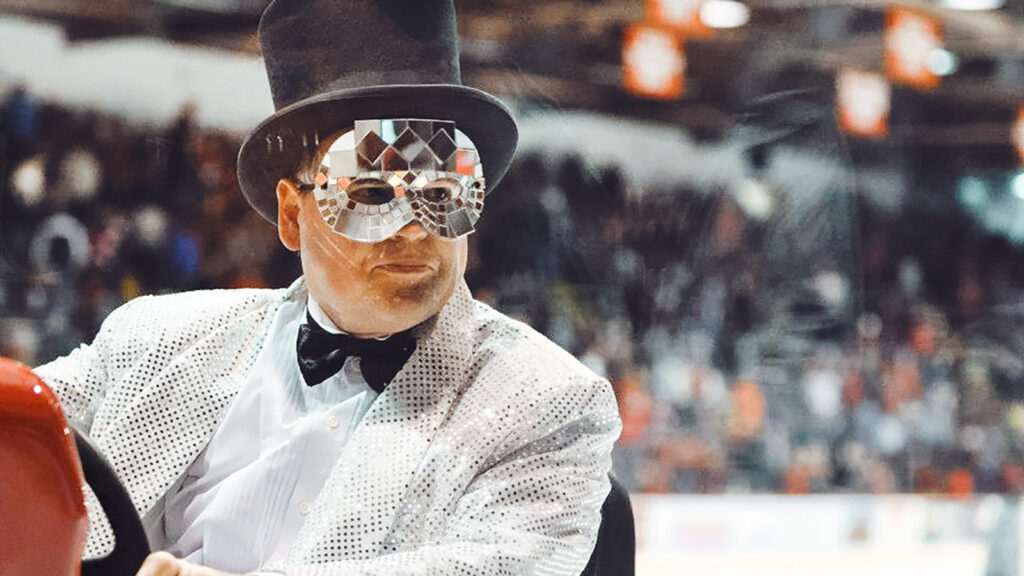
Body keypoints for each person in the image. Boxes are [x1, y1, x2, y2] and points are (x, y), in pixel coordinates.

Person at [32, 1, 622, 575]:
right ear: (292, 216)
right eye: (370, 195)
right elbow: (19, 426)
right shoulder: (154, 338)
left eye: (442, 195)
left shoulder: (548, 403)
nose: (416, 228)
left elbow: (490, 568)